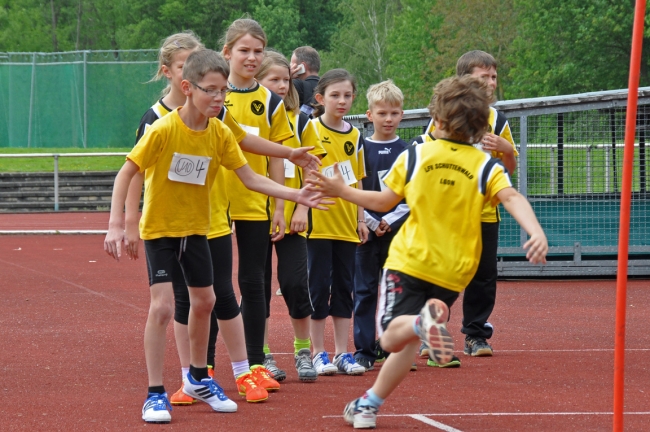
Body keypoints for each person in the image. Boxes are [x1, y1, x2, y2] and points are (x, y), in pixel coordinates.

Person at [306, 75, 548, 429]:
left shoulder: (417, 154)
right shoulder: (485, 165)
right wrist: (535, 231)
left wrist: (339, 189)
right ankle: (369, 403)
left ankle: (421, 323)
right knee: (407, 346)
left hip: (410, 262)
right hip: (454, 270)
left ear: (437, 119)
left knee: (390, 337)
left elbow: (383, 200)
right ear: (481, 125)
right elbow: (511, 196)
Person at [104, 49, 327, 424]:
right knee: (162, 307)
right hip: (161, 230)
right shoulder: (163, 128)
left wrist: (294, 194)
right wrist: (118, 224)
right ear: (188, 88)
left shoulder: (220, 130)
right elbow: (127, 172)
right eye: (212, 91)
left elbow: (251, 177)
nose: (220, 99)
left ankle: (197, 378)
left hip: (198, 229)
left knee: (206, 302)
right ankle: (155, 393)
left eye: (224, 91)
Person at [415, 50, 518, 365]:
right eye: (482, 76)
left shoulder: (498, 119)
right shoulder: (446, 115)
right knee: (441, 272)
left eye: (493, 77)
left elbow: (508, 168)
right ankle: (432, 331)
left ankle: (475, 335)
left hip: (484, 211)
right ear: (464, 80)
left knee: (483, 275)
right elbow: (427, 151)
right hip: (447, 211)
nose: (490, 82)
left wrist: (507, 149)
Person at [220, 17, 293, 391]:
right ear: (227, 52)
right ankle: (201, 368)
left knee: (254, 282)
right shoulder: (216, 94)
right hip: (215, 201)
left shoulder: (269, 101)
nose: (251, 58)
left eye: (258, 51)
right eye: (244, 50)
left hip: (255, 202)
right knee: (211, 286)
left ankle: (254, 361)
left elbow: (278, 155)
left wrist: (280, 206)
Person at [257, 50, 326, 382]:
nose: (282, 86)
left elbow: (314, 171)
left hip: (294, 217)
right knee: (257, 287)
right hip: (255, 214)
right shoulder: (249, 122)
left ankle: (302, 350)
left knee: (296, 284)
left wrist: (301, 208)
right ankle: (263, 354)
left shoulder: (302, 122)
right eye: (274, 80)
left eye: (286, 79)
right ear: (257, 82)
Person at [306, 68, 368, 376]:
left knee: (345, 288)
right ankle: (319, 353)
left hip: (346, 225)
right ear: (320, 98)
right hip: (318, 222)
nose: (342, 101)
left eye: (347, 95)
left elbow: (356, 181)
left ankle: (343, 353)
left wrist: (361, 218)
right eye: (335, 95)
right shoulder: (309, 130)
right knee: (318, 288)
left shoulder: (356, 136)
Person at [352, 80, 409, 371]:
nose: (389, 119)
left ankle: (392, 346)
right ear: (369, 114)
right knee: (364, 290)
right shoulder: (359, 147)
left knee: (396, 291)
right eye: (382, 113)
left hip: (399, 233)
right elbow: (355, 188)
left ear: (402, 115)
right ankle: (363, 349)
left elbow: (413, 194)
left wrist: (390, 218)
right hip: (366, 233)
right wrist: (373, 221)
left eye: (394, 113)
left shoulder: (409, 150)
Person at [290, 46, 321, 116]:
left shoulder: (295, 85)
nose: (290, 67)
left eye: (292, 64)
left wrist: (287, 77)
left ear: (301, 67)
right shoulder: (328, 86)